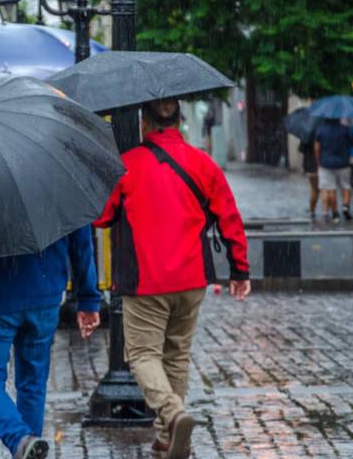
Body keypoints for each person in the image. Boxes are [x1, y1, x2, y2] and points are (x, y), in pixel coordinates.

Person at [94, 98, 250, 459]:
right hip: (192, 278)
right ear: (179, 120)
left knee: (143, 355)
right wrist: (239, 270)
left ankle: (172, 413)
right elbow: (229, 217)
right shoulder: (203, 163)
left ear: (143, 123)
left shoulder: (127, 166)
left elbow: (100, 218)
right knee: (176, 356)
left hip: (145, 280)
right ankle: (167, 438)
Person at [0, 226, 101, 459]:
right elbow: (80, 240)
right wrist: (88, 297)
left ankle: (20, 439)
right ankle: (28, 448)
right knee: (33, 382)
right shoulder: (61, 188)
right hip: (44, 290)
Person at [314, 118, 353, 222]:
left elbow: (317, 148)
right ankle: (345, 205)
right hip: (343, 163)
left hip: (326, 164)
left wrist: (318, 161)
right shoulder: (346, 129)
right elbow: (352, 143)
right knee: (346, 186)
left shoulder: (320, 130)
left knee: (331, 189)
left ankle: (335, 213)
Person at [298, 131, 319, 220]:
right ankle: (327, 210)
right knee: (325, 189)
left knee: (314, 189)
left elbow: (300, 149)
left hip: (310, 165)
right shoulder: (321, 132)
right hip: (323, 164)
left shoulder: (306, 134)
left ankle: (312, 210)